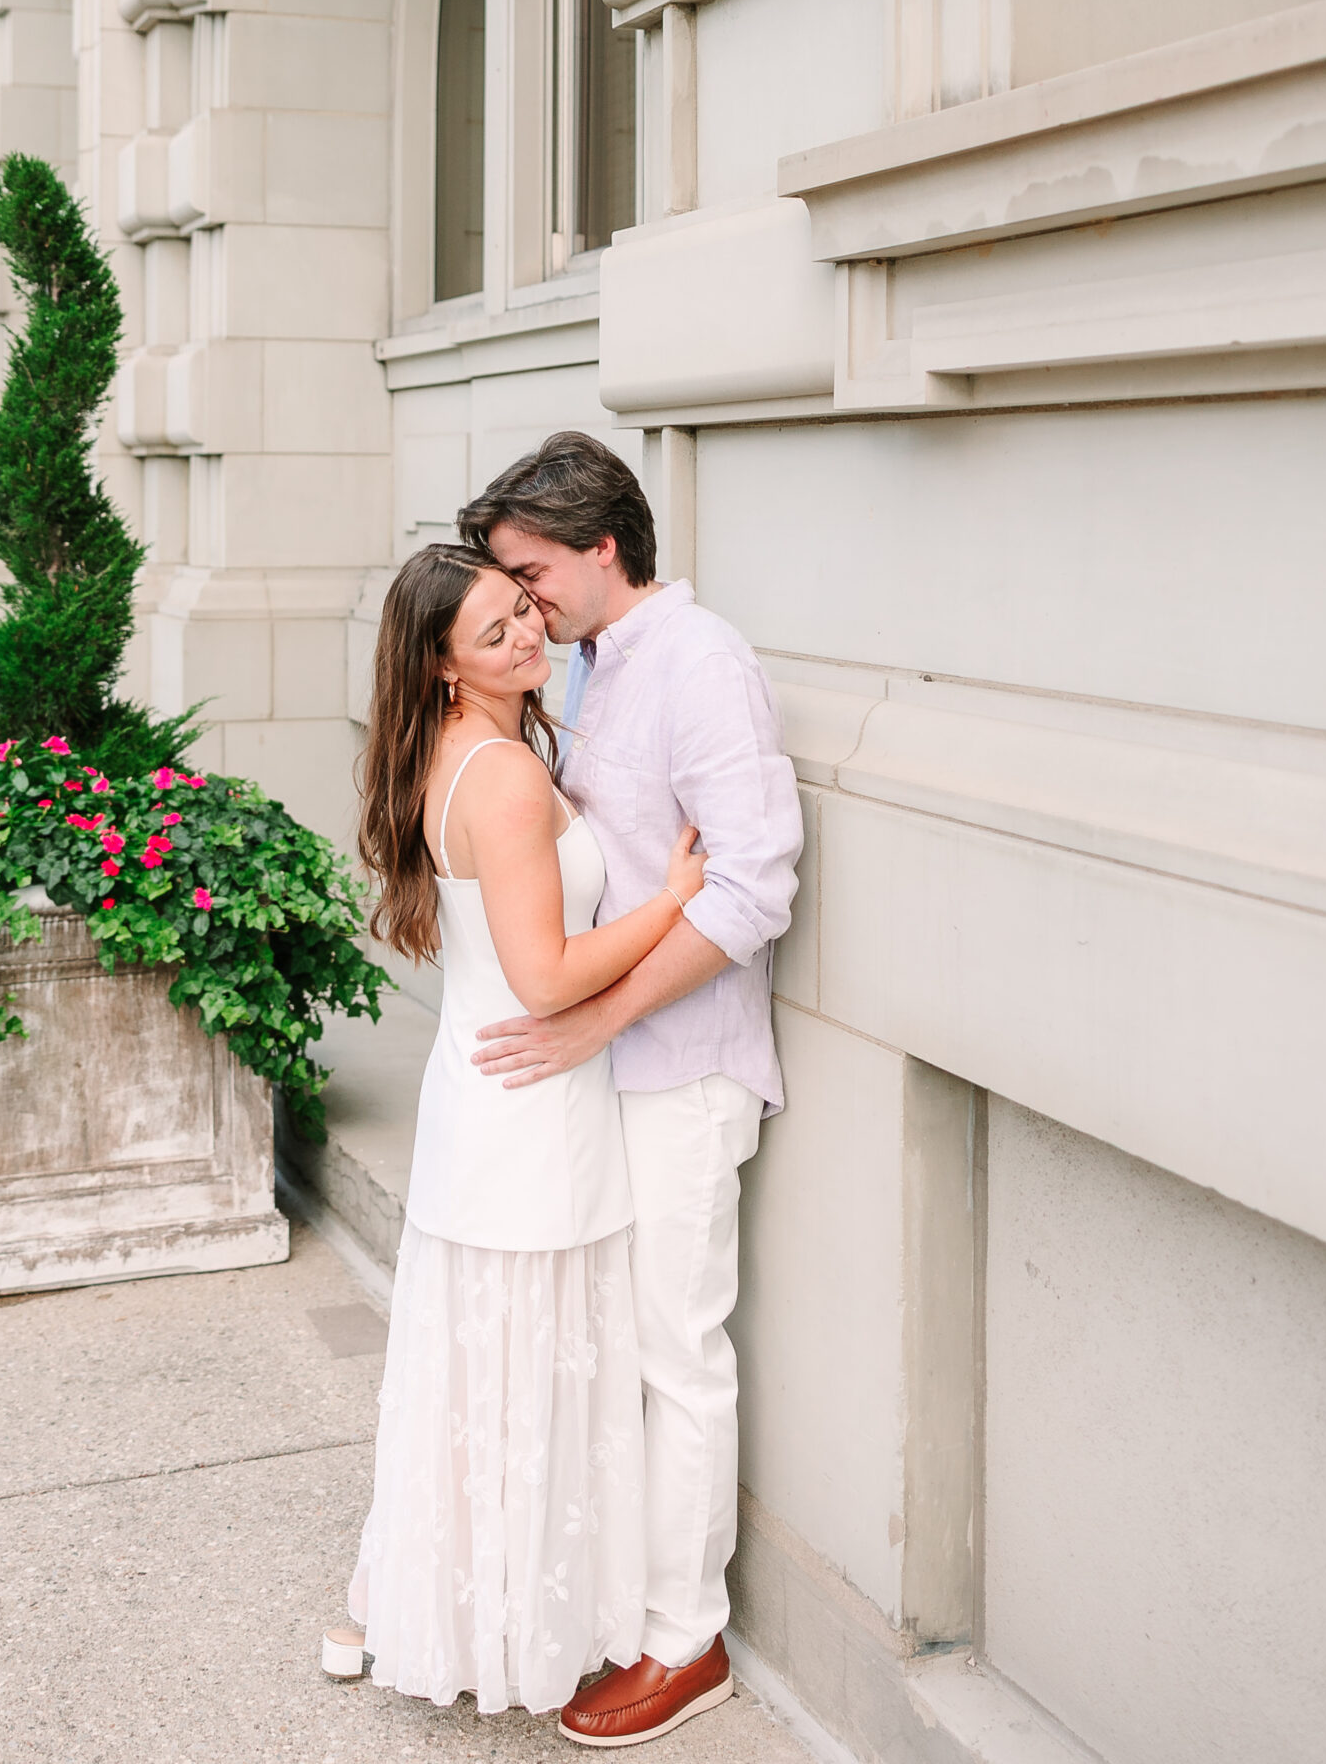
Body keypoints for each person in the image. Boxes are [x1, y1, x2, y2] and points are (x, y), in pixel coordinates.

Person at [325, 541, 717, 1721]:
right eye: (490, 634)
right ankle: (505, 1630)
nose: (524, 637)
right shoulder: (496, 773)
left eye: (521, 610)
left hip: (488, 1100)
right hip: (529, 1113)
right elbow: (543, 977)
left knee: (481, 1384)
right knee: (520, 1386)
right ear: (442, 668)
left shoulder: (464, 748)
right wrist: (672, 901)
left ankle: (435, 1605)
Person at [458, 432, 802, 1750]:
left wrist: (592, 1018)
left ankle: (685, 1639)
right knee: (615, 1355)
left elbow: (752, 887)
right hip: (605, 1069)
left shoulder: (700, 662)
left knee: (676, 1354)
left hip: (681, 1073)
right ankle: (619, 1601)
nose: (524, 602)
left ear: (604, 547)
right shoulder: (594, 658)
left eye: (533, 574)